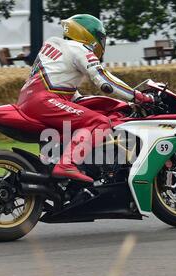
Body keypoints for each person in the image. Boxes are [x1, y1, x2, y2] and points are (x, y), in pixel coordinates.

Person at [17, 14, 155, 183]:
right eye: (100, 38)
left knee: (78, 123)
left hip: (28, 100)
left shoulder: (53, 44)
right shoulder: (80, 49)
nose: (101, 42)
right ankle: (67, 163)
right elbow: (105, 81)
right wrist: (138, 96)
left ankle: (55, 168)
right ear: (88, 35)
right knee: (100, 122)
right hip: (45, 101)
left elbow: (59, 82)